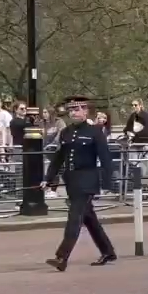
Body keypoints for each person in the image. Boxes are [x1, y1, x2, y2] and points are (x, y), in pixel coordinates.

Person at [43, 97, 118, 272]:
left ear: (86, 112)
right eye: (71, 110)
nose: (73, 113)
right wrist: (48, 178)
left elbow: (105, 158)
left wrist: (109, 182)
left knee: (74, 217)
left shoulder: (95, 131)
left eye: (77, 110)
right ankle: (108, 251)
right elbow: (59, 158)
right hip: (72, 180)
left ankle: (62, 256)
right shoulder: (66, 132)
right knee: (89, 219)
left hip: (88, 179)